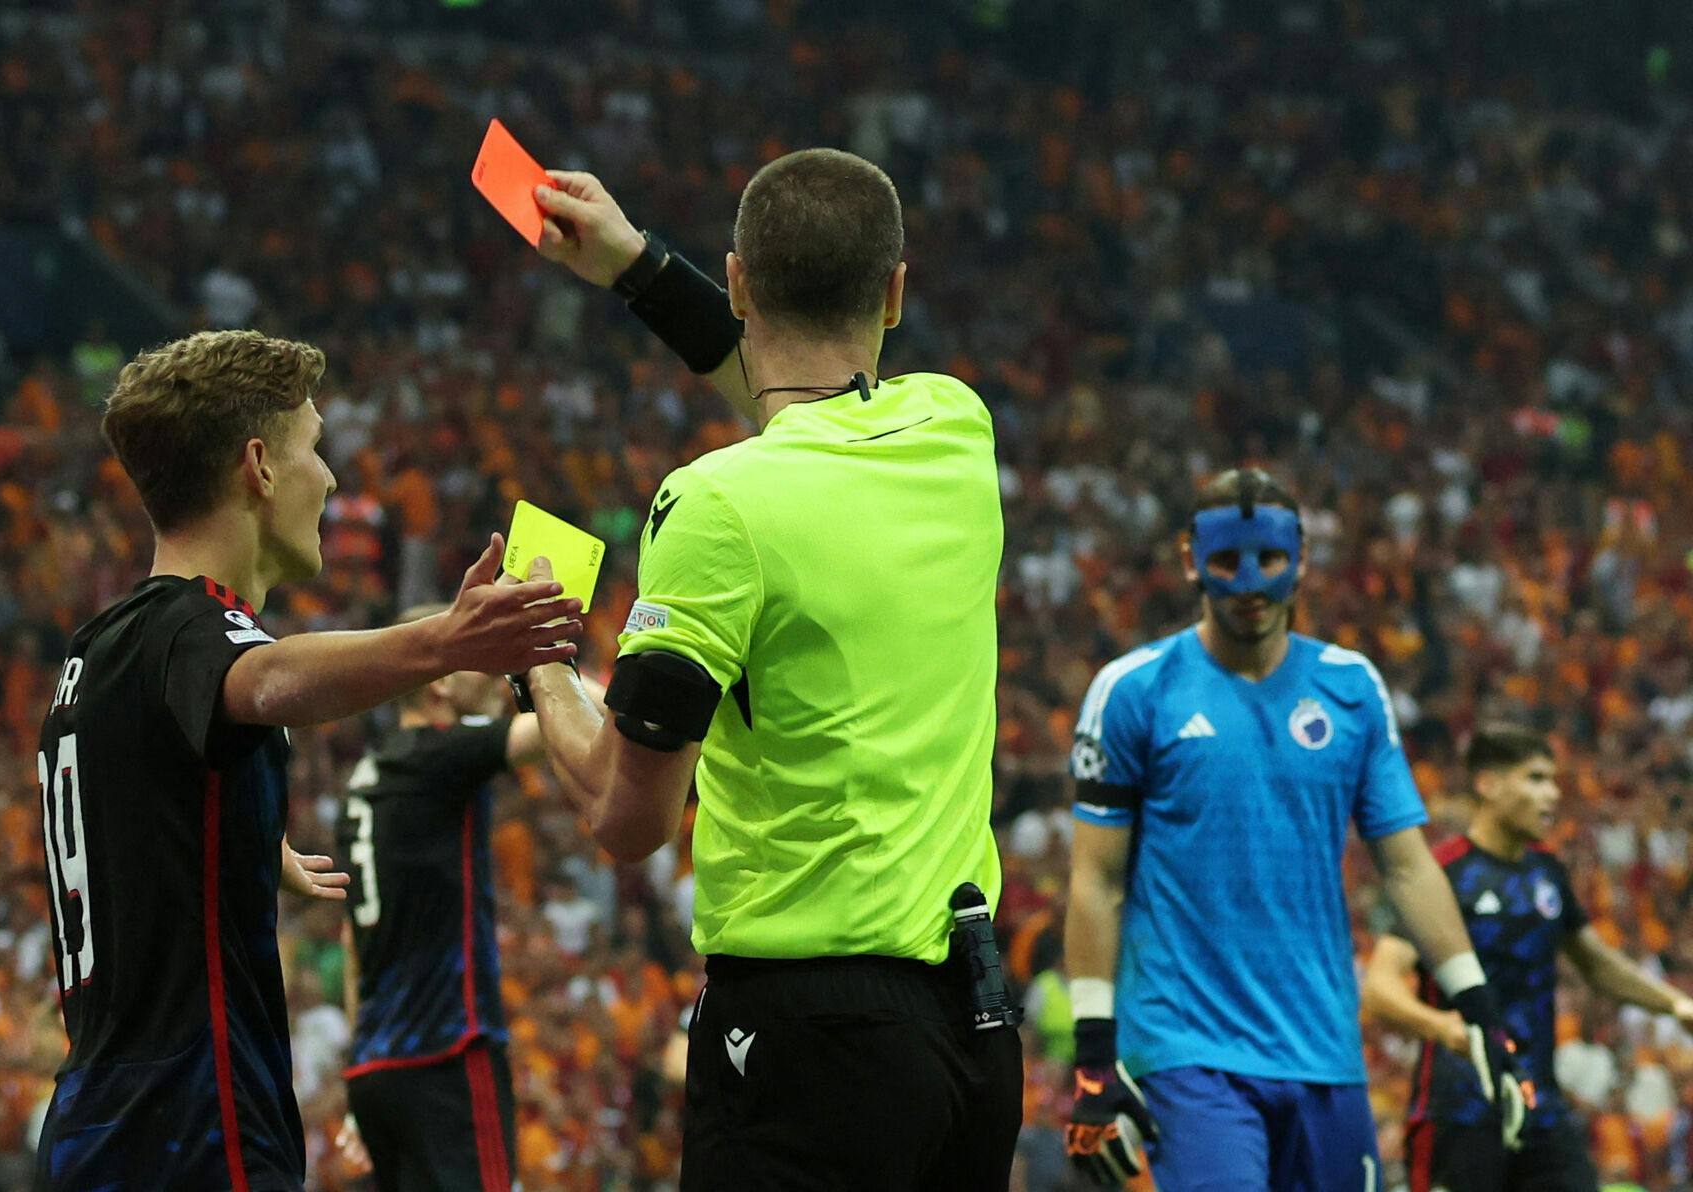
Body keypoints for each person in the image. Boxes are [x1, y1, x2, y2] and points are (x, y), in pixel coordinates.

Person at [516, 148, 1022, 1191]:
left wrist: (540, 669)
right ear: (893, 293)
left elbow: (628, 818)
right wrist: (636, 267)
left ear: (741, 280)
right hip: (972, 1032)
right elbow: (800, 401)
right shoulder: (957, 427)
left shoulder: (716, 506)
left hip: (806, 1038)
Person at [33, 330, 583, 1192]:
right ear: (258, 465)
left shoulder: (97, 651)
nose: (328, 478)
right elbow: (270, 679)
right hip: (190, 1124)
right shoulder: (192, 627)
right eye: (316, 448)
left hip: (96, 1120)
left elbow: (131, 814)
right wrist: (447, 640)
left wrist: (252, 840)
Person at [1059, 467, 1533, 1191]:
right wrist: (1095, 1053)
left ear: (1301, 558)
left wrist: (1479, 1005)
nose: (1249, 583)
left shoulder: (1353, 688)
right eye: (1225, 562)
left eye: (1270, 561)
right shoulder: (1132, 690)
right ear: (1191, 560)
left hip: (1325, 1052)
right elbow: (1096, 877)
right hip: (1190, 1049)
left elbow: (1405, 864)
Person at [333, 604, 603, 1192]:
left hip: (374, 1071)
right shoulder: (441, 752)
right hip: (446, 1052)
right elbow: (589, 716)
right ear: (439, 684)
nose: (489, 669)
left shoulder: (365, 782)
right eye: (476, 657)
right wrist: (538, 659)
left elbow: (354, 945)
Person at [1362, 722, 1693, 1192]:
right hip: (1459, 1105)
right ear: (1489, 784)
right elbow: (1380, 985)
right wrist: (1441, 1027)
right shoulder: (1442, 874)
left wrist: (1675, 1005)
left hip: (1540, 1102)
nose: (1552, 795)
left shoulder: (1547, 873)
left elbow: (1596, 963)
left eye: (1553, 781)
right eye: (1535, 778)